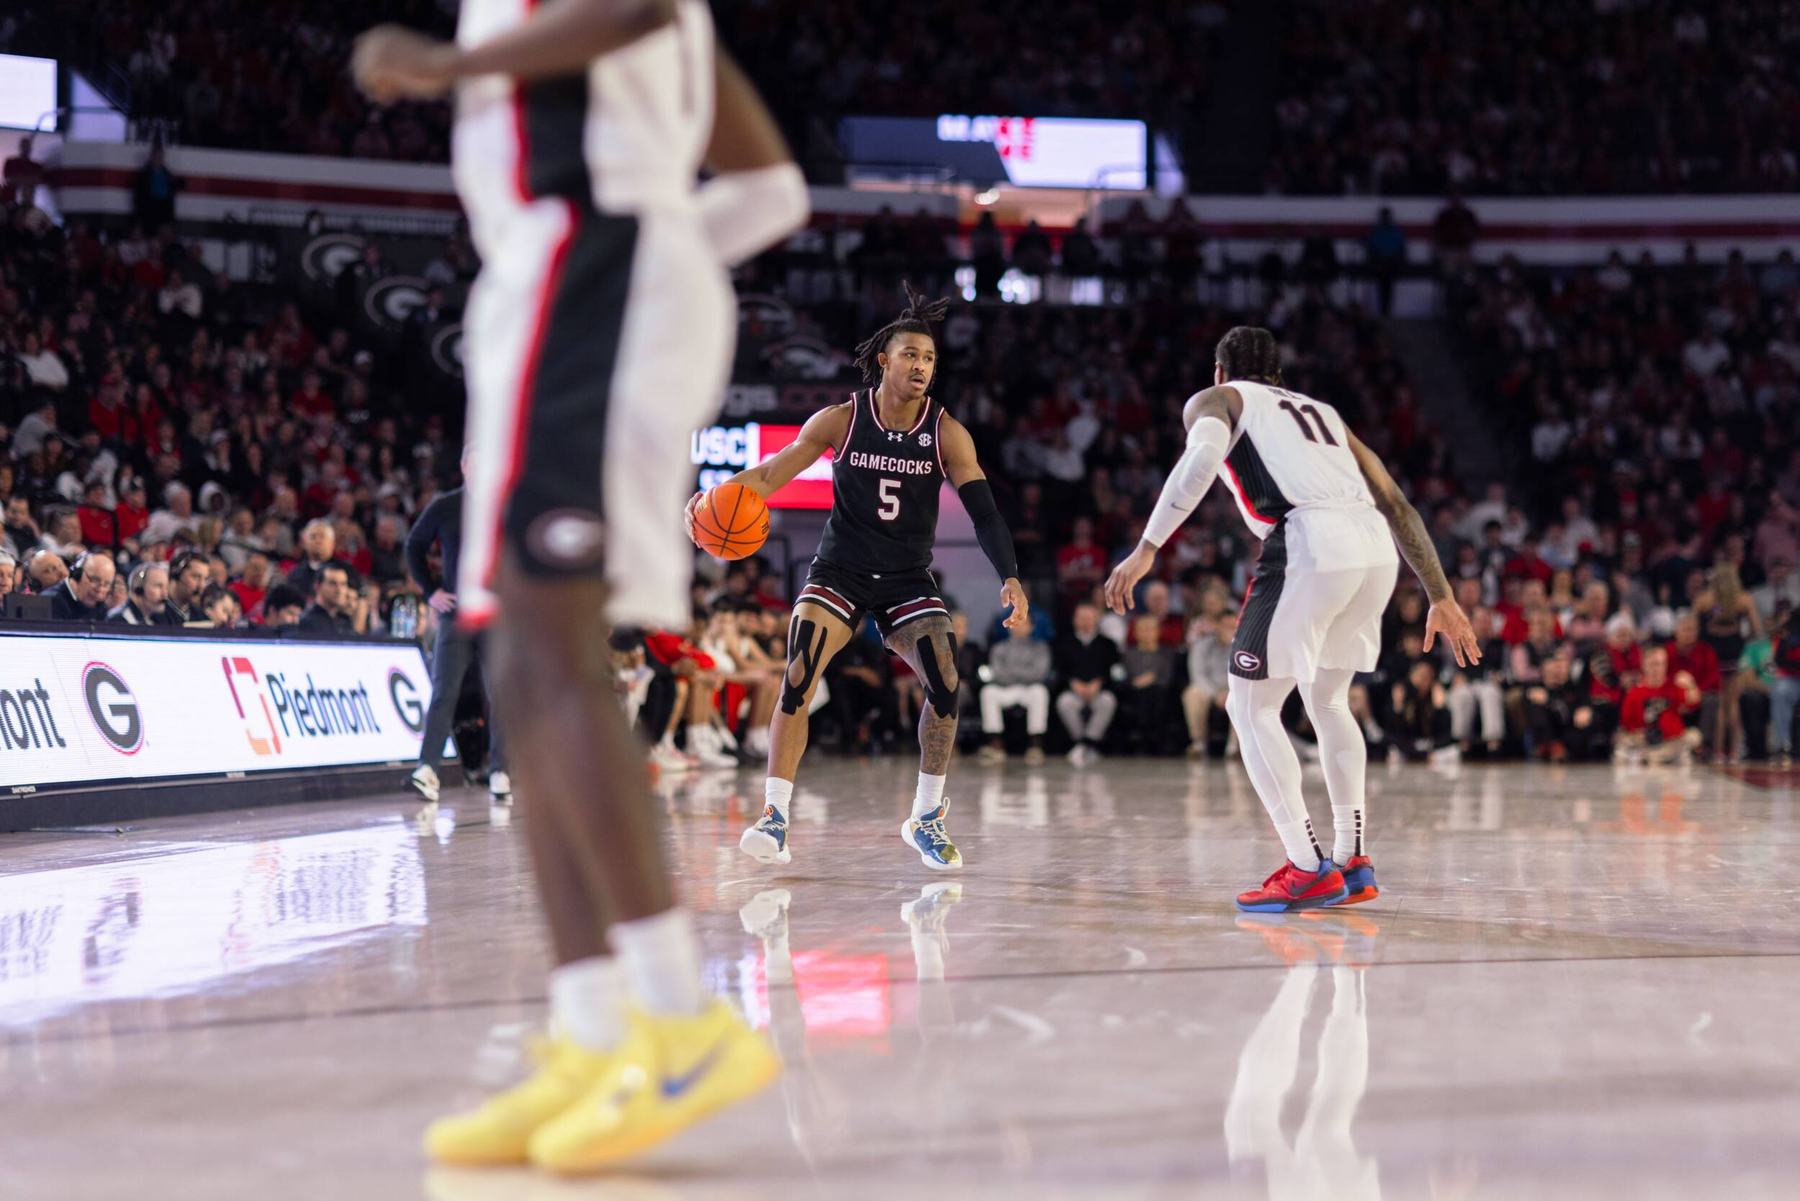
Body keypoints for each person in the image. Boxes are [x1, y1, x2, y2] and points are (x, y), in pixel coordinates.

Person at [355, 0, 808, 1171]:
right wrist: (659, 245)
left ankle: (676, 1017)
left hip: (592, 266)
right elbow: (771, 191)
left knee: (553, 652)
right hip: (569, 276)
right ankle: (596, 1029)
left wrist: (451, 69)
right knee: (517, 657)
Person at [1105, 326, 1478, 913]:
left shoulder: (1219, 400)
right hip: (1374, 549)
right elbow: (1398, 503)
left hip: (1310, 542)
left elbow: (1200, 459)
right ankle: (1352, 859)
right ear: (1278, 374)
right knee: (1328, 701)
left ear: (1220, 370)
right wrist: (1441, 594)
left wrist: (1149, 546)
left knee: (1249, 705)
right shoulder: (1325, 414)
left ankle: (1306, 868)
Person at [708, 285, 1028, 872]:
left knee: (947, 680)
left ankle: (925, 817)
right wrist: (713, 497)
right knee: (799, 671)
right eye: (911, 355)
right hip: (841, 570)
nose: (922, 367)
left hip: (907, 577)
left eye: (930, 359)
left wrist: (1009, 576)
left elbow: (984, 512)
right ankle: (775, 816)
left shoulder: (947, 432)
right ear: (884, 360)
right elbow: (774, 474)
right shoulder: (840, 420)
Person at [405, 451, 510, 806]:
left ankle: (500, 770)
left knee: (501, 694)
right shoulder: (445, 506)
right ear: (464, 466)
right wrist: (431, 590)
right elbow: (414, 547)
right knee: (443, 689)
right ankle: (427, 768)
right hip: (458, 616)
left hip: (497, 616)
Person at [978, 616, 1052, 764]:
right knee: (988, 692)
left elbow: (1040, 673)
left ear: (1031, 627)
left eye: (1023, 623)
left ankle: (1035, 745)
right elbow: (997, 673)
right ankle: (995, 744)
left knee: (1040, 692)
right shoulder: (998, 648)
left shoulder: (1041, 648)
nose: (1019, 626)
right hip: (1005, 689)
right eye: (1015, 622)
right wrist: (1022, 673)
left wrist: (1012, 672)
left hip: (1028, 689)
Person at [1614, 645, 1702, 765]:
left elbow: (1694, 702)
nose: (1657, 669)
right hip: (1645, 742)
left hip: (1672, 741)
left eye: (1661, 664)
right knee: (1622, 741)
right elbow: (1627, 724)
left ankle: (1652, 758)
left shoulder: (1674, 687)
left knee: (1694, 736)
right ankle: (1655, 757)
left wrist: (1690, 684)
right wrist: (1637, 733)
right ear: (1644, 665)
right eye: (1653, 664)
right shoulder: (1634, 693)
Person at [1055, 602, 1120, 763]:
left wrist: (1099, 683)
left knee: (1107, 701)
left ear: (1097, 619)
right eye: (1081, 617)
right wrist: (1073, 683)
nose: (1085, 621)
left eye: (1089, 618)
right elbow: (1059, 671)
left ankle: (1089, 742)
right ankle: (1081, 742)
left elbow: (1115, 670)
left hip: (1099, 691)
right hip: (1074, 691)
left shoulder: (1108, 644)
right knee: (1065, 702)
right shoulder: (1064, 643)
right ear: (1074, 620)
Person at [1183, 609, 1235, 758]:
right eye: (1225, 626)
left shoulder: (1243, 646)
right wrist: (1215, 694)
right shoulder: (1201, 645)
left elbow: (1245, 676)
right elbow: (1197, 675)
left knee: (1245, 697)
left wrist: (1229, 693)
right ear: (1216, 626)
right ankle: (1198, 743)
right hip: (1209, 688)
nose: (1228, 630)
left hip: (1233, 689)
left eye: (1233, 627)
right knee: (1192, 693)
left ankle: (1234, 747)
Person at [50, 552, 115, 621]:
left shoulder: (100, 608)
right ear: (77, 575)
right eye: (95, 580)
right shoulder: (51, 603)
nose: (100, 589)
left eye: (106, 584)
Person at [296, 563, 355, 633]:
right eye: (333, 583)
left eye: (343, 584)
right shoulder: (306, 622)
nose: (339, 590)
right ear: (317, 586)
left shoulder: (345, 620)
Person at [158, 549, 210, 625]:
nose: (202, 585)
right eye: (196, 577)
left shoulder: (202, 618)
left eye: (205, 579)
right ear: (177, 574)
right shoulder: (158, 613)